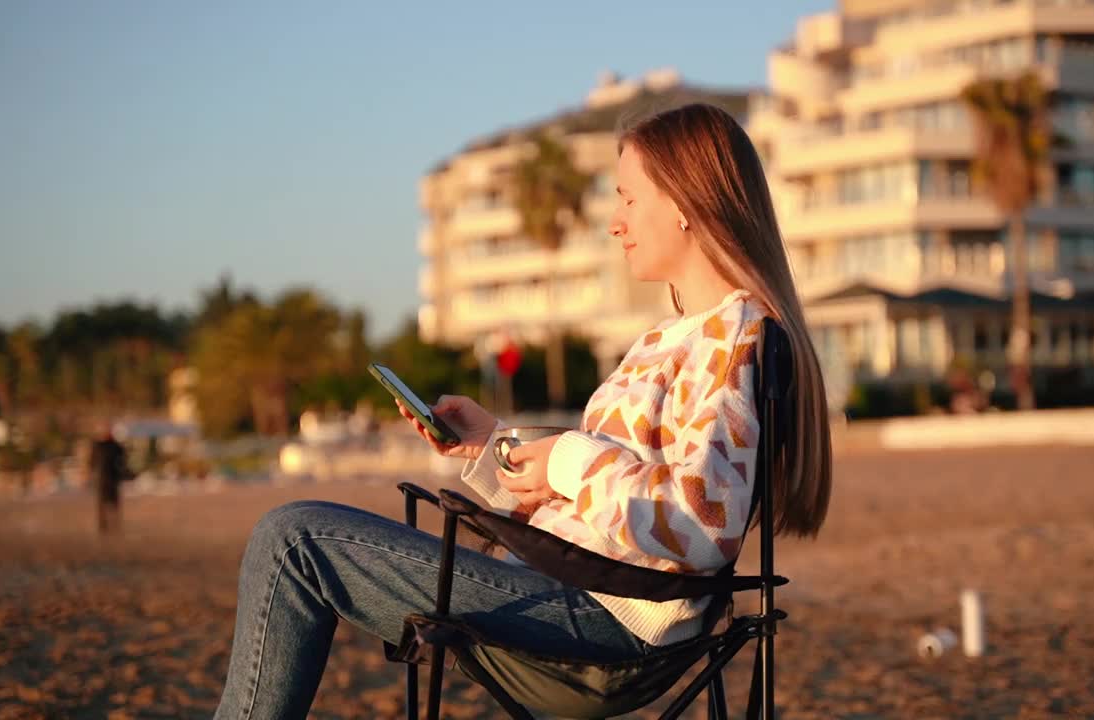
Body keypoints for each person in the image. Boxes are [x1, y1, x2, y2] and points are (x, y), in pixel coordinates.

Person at [213, 103, 833, 719]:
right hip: (570, 590)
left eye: (627, 198)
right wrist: (495, 449)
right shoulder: (669, 339)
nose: (615, 222)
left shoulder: (733, 336)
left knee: (291, 540)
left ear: (683, 204)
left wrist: (564, 456)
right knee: (291, 538)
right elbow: (602, 500)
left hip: (606, 618)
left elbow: (700, 522)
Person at [88, 425, 129, 534]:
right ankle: (103, 525)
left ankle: (115, 523)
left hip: (112, 478)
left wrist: (121, 471)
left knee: (114, 503)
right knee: (102, 503)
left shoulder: (115, 446)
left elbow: (123, 458)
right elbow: (92, 462)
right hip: (101, 478)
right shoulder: (97, 445)